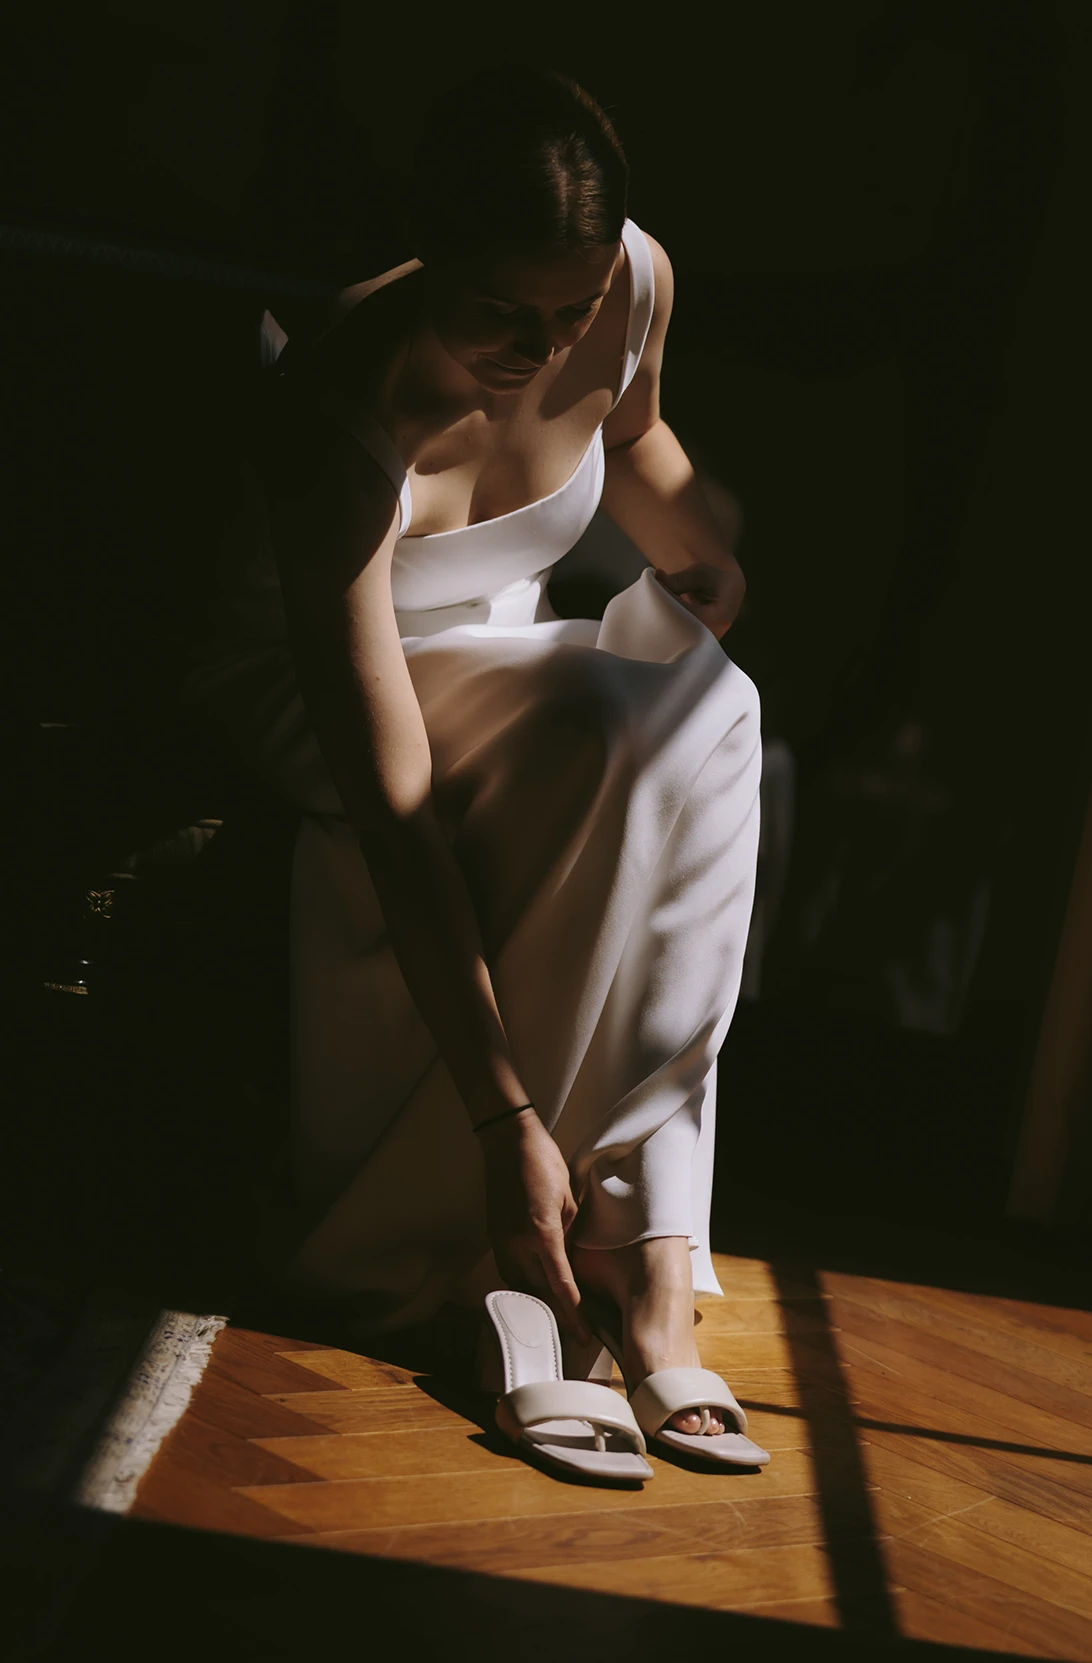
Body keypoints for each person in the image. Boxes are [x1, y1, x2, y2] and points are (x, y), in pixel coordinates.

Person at [184, 66, 760, 1441]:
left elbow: (629, 431)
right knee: (593, 727)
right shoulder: (346, 401)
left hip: (488, 642)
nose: (544, 347)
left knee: (714, 705)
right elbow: (392, 806)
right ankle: (500, 1243)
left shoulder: (627, 287)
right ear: (431, 255)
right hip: (317, 676)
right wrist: (504, 1122)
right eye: (503, 313)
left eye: (570, 313)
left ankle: (650, 1244)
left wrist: (702, 547)